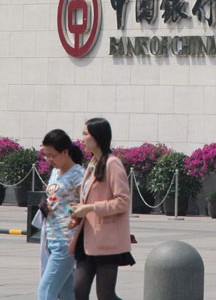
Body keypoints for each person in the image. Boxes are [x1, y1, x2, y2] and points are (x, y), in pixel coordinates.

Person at [70, 117, 135, 300]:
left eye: (85, 134)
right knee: (78, 290)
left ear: (97, 138)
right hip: (87, 237)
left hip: (106, 240)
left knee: (105, 295)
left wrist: (91, 208)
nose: (82, 139)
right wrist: (78, 211)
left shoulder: (112, 163)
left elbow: (122, 201)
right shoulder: (92, 163)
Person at [37, 129, 85, 300]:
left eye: (53, 155)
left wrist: (72, 212)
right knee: (66, 293)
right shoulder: (55, 172)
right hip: (51, 236)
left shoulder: (78, 173)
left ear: (65, 152)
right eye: (46, 155)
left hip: (66, 240)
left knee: (46, 290)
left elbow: (85, 204)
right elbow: (57, 200)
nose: (50, 159)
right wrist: (45, 206)